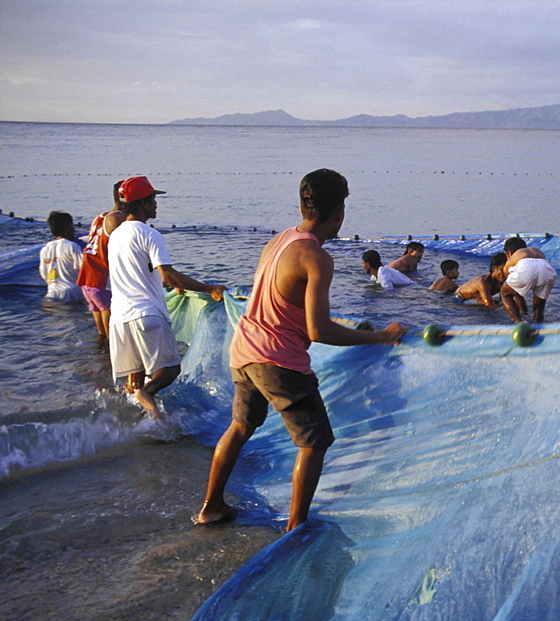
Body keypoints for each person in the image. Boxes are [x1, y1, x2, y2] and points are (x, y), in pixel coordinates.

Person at [193, 169, 407, 532]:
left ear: (302, 205)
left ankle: (210, 507)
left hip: (244, 349)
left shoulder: (280, 240)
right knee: (314, 442)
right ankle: (296, 526)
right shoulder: (316, 258)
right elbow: (318, 329)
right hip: (278, 360)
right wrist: (382, 338)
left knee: (241, 426)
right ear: (339, 213)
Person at [108, 176, 228, 420]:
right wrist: (209, 288)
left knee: (134, 377)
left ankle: (142, 420)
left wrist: (173, 285)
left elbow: (142, 272)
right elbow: (168, 274)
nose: (156, 204)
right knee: (171, 369)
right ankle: (148, 393)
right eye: (152, 199)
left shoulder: (116, 236)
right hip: (147, 314)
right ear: (143, 204)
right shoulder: (150, 234)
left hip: (119, 318)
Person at [77, 181, 126, 336]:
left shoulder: (100, 217)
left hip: (87, 281)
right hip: (102, 281)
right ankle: (106, 359)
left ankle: (99, 358)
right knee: (112, 336)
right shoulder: (118, 219)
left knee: (101, 334)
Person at [500, 237, 557, 323]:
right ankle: (538, 321)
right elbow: (538, 268)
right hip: (547, 270)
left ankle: (518, 321)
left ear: (509, 253)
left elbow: (506, 274)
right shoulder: (536, 251)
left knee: (505, 293)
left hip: (526, 269)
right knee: (540, 301)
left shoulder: (515, 255)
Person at [39, 211, 83, 301]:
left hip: (52, 292)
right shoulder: (72, 246)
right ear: (68, 228)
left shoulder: (45, 249)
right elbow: (83, 269)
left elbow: (44, 273)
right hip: (72, 291)